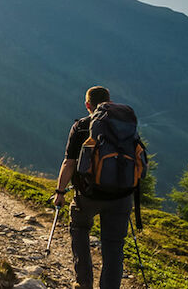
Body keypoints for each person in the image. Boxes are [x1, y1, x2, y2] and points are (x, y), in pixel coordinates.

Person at [53, 86, 134, 289]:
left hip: (88, 194)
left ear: (87, 105)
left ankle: (84, 283)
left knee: (79, 229)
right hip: (121, 195)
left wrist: (60, 192)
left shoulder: (81, 127)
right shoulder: (124, 126)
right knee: (114, 246)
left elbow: (69, 163)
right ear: (109, 102)